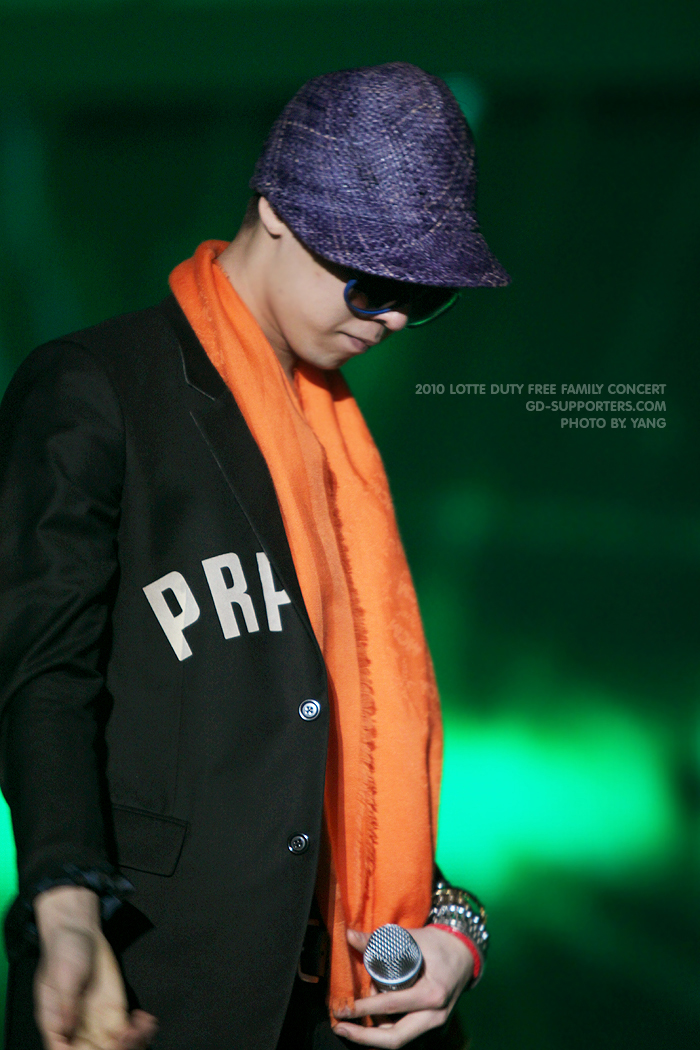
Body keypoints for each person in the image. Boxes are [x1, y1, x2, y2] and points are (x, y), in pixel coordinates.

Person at [0, 62, 509, 1050]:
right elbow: (42, 675)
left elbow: (335, 753)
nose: (392, 317)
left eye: (426, 297)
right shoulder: (94, 389)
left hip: (351, 1015)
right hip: (153, 989)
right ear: (275, 210)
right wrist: (62, 906)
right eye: (373, 279)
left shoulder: (340, 446)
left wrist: (456, 933)